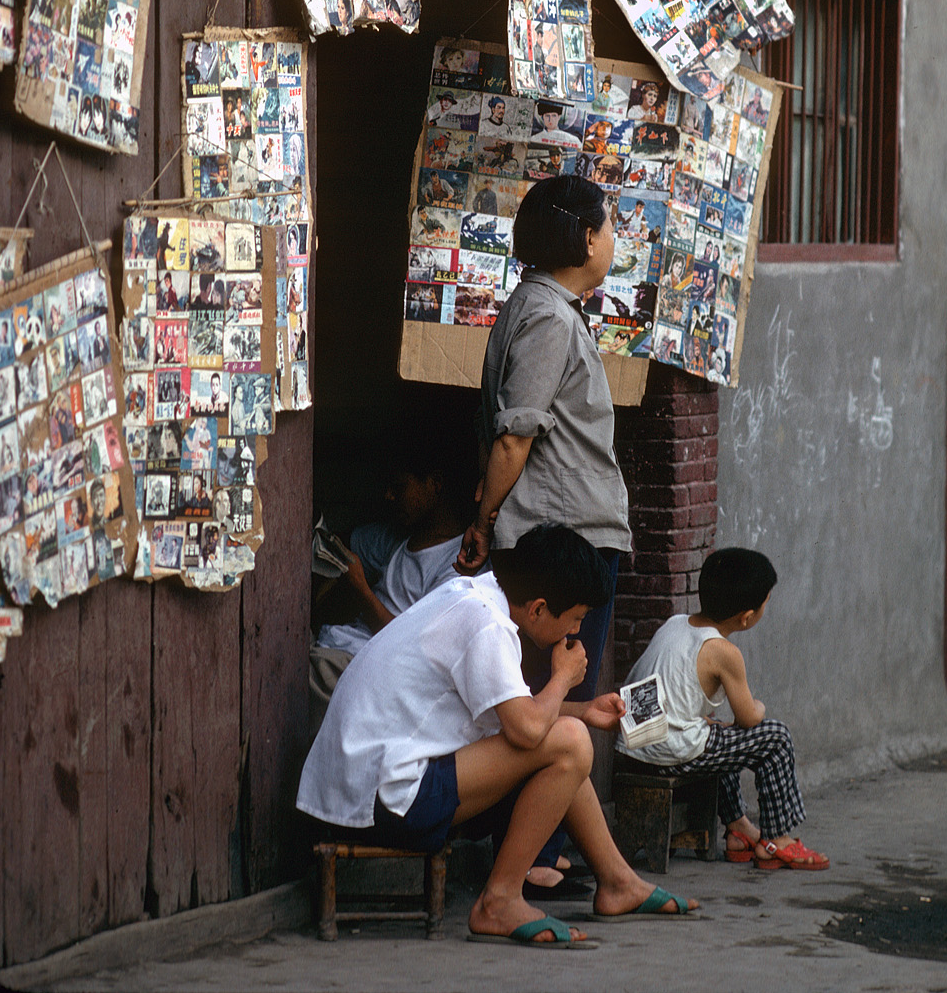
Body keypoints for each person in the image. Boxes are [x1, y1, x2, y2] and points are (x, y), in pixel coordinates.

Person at [298, 524, 696, 945]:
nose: (574, 633)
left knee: (566, 733)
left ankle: (618, 882)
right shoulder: (486, 623)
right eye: (575, 619)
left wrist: (582, 708)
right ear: (539, 608)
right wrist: (562, 680)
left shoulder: (477, 597)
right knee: (569, 743)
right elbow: (526, 729)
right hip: (382, 798)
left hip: (366, 787)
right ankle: (499, 899)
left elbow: (512, 712)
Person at [456, 173, 632, 892]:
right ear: (586, 239)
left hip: (569, 533)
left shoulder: (549, 309)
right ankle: (537, 863)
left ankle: (547, 855)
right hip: (561, 540)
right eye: (611, 225)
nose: (614, 239)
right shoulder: (549, 317)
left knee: (556, 695)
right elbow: (514, 437)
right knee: (551, 698)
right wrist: (483, 519)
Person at [618, 547, 830, 871]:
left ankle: (738, 829)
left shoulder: (675, 624)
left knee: (718, 732)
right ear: (746, 617)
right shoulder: (723, 650)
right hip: (670, 753)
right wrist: (759, 706)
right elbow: (748, 718)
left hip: (636, 744)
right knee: (774, 737)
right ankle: (776, 839)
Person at [309, 432, 476, 732]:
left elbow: (416, 647)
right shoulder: (400, 538)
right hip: (338, 645)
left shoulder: (456, 565)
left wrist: (361, 589)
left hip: (369, 667)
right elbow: (346, 543)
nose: (389, 496)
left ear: (435, 485)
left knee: (293, 680)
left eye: (399, 487)